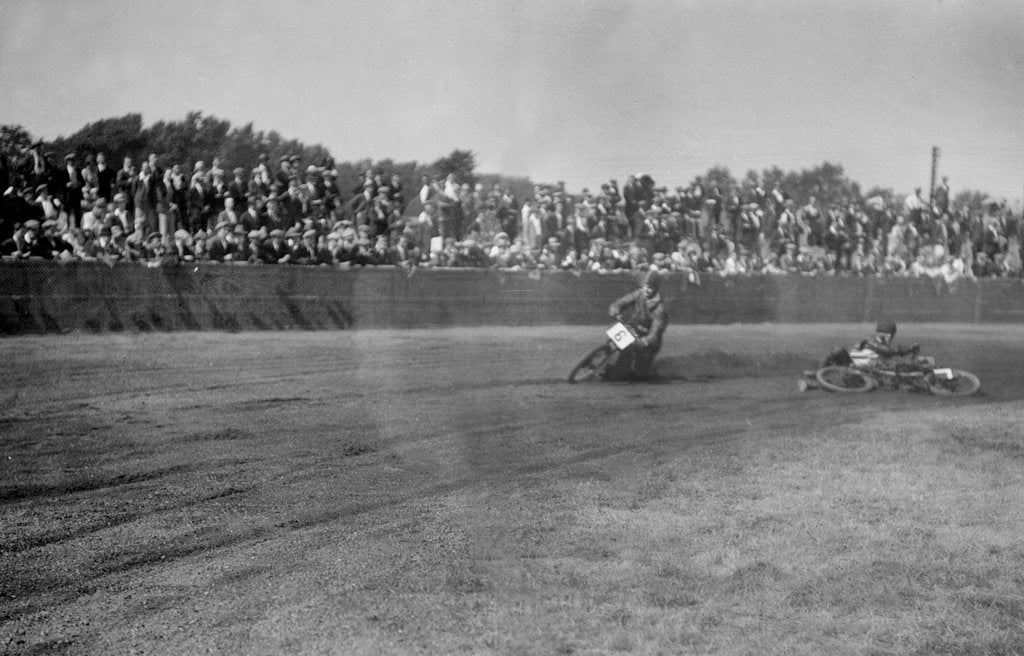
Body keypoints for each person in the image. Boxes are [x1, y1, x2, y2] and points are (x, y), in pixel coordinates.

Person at [606, 268, 668, 380]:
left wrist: (646, 341)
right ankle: (604, 357)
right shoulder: (639, 293)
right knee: (614, 339)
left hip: (648, 340)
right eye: (645, 286)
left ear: (656, 288)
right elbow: (622, 302)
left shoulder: (660, 309)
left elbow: (656, 330)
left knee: (639, 374)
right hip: (633, 328)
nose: (646, 290)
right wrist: (615, 311)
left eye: (650, 288)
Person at [820, 320, 918, 369]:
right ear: (889, 335)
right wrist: (910, 349)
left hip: (857, 366)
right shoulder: (872, 342)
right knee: (838, 350)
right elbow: (891, 352)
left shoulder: (870, 341)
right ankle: (819, 371)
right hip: (851, 364)